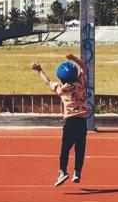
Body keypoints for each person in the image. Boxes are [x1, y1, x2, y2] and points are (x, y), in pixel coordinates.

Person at [29, 53, 89, 186]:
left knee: (65, 149)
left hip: (70, 123)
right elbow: (84, 67)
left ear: (60, 77)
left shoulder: (60, 89)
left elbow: (48, 82)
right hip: (82, 121)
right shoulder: (80, 83)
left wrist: (39, 70)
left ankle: (63, 171)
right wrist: (73, 58)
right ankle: (77, 172)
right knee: (80, 149)